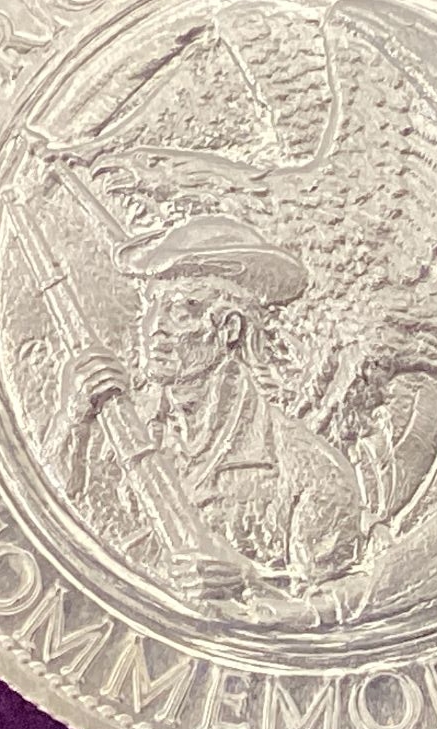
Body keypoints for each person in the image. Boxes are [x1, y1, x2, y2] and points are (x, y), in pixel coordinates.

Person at [46, 214, 367, 605]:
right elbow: (61, 514)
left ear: (229, 329)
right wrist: (72, 422)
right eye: (153, 305)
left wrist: (249, 583)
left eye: (181, 310)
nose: (155, 327)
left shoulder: (310, 472)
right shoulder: (121, 421)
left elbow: (330, 613)